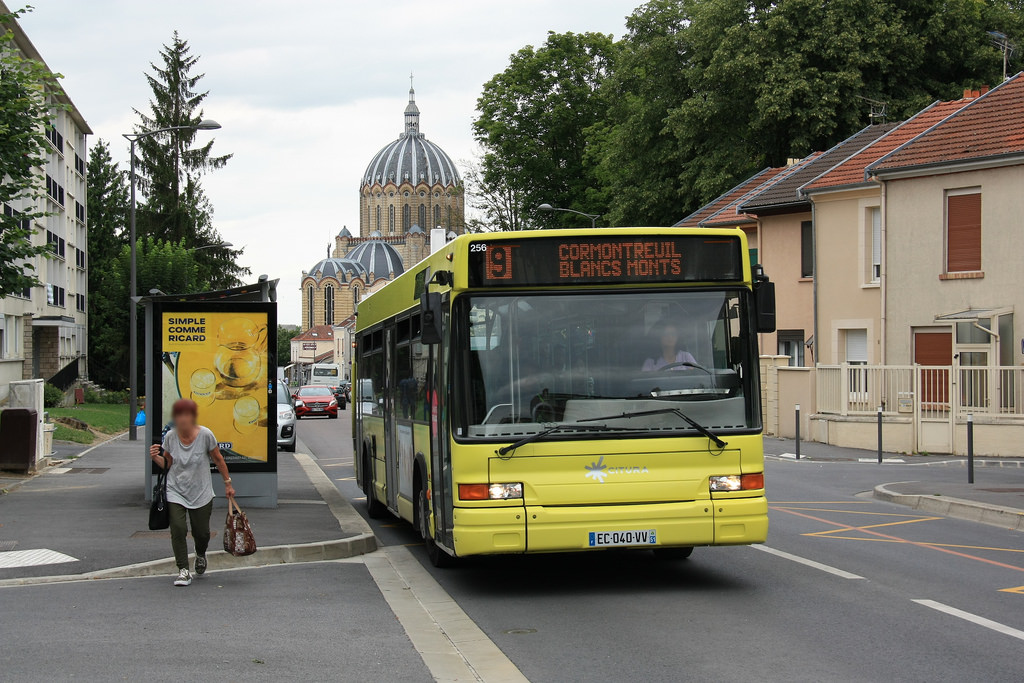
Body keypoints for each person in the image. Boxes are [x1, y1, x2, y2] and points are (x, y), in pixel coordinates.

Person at [149, 398, 236, 587]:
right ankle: (183, 570)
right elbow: (167, 464)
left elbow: (219, 460)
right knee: (178, 529)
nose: (182, 420)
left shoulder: (205, 435)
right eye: (178, 416)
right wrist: (155, 458)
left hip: (201, 491)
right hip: (175, 490)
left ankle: (200, 554)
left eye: (186, 416)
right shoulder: (171, 437)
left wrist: (227, 484)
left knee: (202, 533)